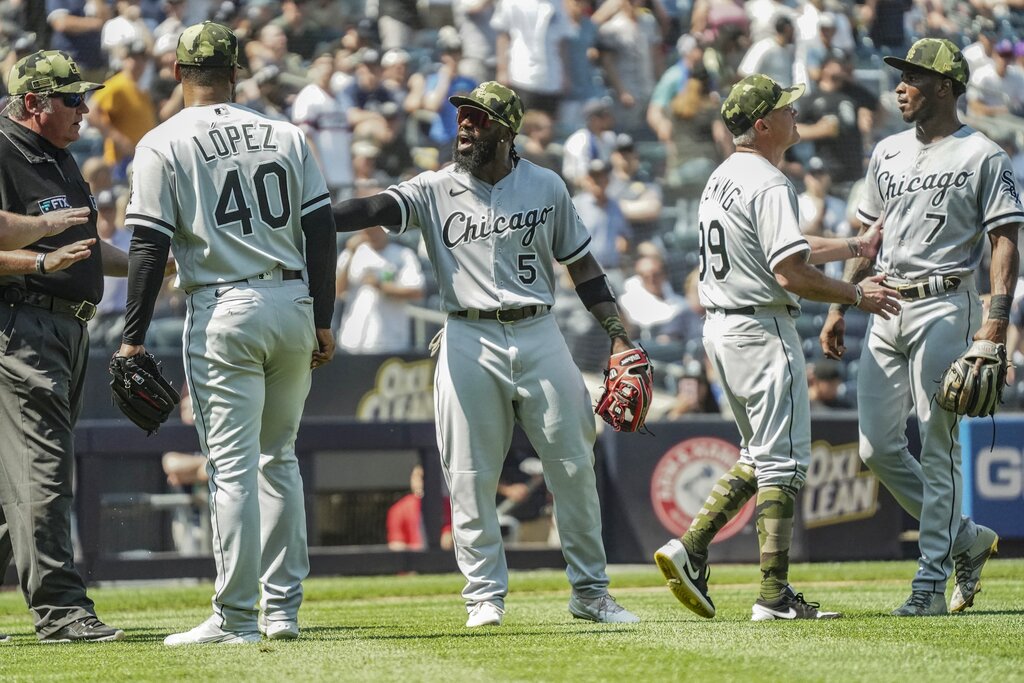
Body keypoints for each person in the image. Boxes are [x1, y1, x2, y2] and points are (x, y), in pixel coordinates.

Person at [333, 81, 640, 628]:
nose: (466, 127)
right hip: (467, 334)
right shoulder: (434, 187)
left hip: (539, 329)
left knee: (573, 464)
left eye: (478, 118)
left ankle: (591, 593)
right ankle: (483, 598)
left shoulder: (545, 185)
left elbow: (584, 268)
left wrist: (617, 332)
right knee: (468, 472)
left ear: (506, 129)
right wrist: (316, 215)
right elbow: (377, 205)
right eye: (463, 118)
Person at [115, 21, 337, 645]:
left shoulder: (163, 141)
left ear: (179, 72)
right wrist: (323, 317)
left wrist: (132, 337)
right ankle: (283, 611)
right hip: (291, 298)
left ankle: (237, 618)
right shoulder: (286, 133)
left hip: (224, 307)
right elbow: (321, 230)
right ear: (236, 71)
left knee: (232, 470)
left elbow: (149, 243)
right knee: (280, 460)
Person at [653, 73, 901, 622]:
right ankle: (773, 595)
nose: (796, 114)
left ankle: (691, 546)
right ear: (763, 124)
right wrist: (856, 292)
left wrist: (854, 246)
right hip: (761, 328)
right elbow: (789, 272)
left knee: (759, 455)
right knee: (784, 463)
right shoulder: (768, 180)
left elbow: (784, 245)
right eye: (786, 108)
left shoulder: (724, 176)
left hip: (724, 327)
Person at [819, 38, 1020, 617]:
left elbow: (1005, 239)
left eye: (913, 76)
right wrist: (838, 305)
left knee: (937, 444)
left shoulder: (982, 153)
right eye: (901, 75)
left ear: (945, 86)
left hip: (944, 303)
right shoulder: (886, 152)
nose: (900, 85)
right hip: (885, 301)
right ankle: (966, 538)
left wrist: (994, 324)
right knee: (876, 447)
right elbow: (866, 235)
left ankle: (931, 580)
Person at [0, 49, 129, 643]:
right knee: (44, 469)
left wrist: (161, 269)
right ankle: (60, 611)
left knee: (17, 480)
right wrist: (40, 258)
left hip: (67, 327)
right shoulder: (4, 149)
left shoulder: (59, 157)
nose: (86, 108)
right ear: (34, 103)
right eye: (72, 98)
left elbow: (89, 245)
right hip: (22, 323)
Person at [336, 226, 425, 353]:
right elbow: (338, 292)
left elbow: (417, 291)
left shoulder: (403, 255)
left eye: (376, 230)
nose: (372, 234)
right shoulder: (352, 253)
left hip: (390, 339)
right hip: (353, 337)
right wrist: (350, 252)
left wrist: (380, 286)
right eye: (368, 230)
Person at [386, 464, 454, 551]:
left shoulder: (448, 504)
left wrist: (449, 534)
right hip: (413, 562)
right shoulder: (399, 509)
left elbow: (455, 532)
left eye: (423, 477)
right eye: (416, 477)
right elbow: (396, 545)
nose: (420, 481)